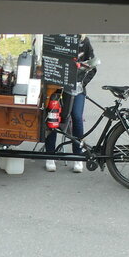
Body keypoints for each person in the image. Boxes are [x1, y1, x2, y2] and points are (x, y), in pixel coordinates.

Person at [43, 34, 96, 173]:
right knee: (53, 115)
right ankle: (50, 154)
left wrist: (82, 82)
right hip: (56, 86)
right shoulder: (55, 37)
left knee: (77, 117)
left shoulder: (84, 41)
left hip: (77, 88)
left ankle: (77, 156)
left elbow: (93, 65)